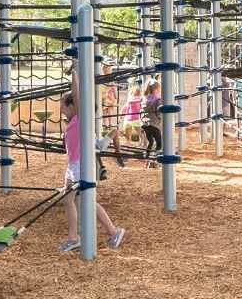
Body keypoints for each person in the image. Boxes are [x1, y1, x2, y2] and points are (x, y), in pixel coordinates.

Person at [58, 81, 127, 253]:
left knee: (83, 201)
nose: (60, 108)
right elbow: (96, 145)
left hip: (81, 166)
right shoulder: (75, 122)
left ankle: (107, 232)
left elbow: (77, 95)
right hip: (73, 165)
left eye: (63, 105)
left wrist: (75, 72)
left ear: (74, 105)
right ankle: (79, 236)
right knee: (74, 200)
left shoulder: (81, 120)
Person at [142, 80, 164, 168]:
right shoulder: (157, 100)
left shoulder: (145, 99)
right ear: (155, 89)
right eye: (158, 89)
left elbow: (142, 112)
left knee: (150, 142)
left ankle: (147, 159)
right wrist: (161, 118)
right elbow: (159, 113)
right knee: (159, 143)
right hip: (154, 124)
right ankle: (155, 160)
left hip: (145, 124)